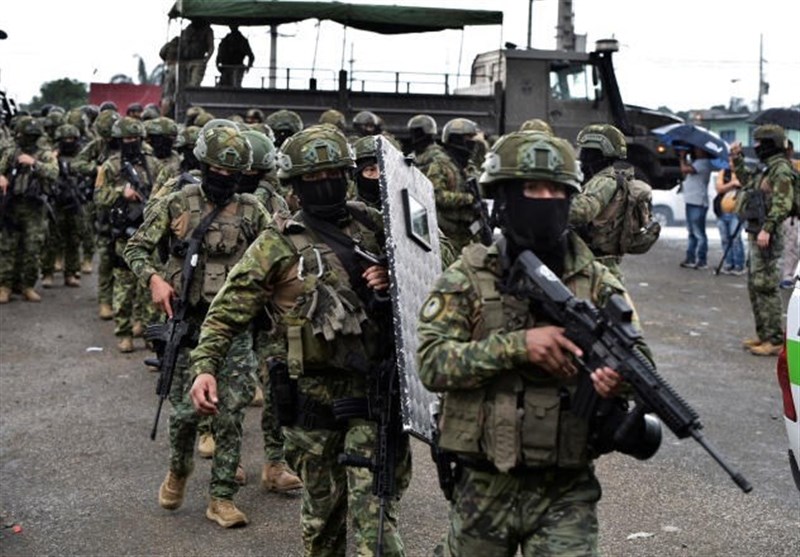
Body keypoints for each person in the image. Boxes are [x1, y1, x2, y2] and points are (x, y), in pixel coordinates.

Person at [417, 131, 644, 556]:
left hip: (565, 489)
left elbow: (639, 361)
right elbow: (432, 363)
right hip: (483, 483)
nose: (545, 200)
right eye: (532, 189)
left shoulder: (598, 281)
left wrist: (616, 380)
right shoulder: (467, 277)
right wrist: (518, 346)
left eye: (556, 190)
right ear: (503, 198)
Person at [188, 125, 411, 556]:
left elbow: (434, 257)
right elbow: (226, 312)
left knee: (378, 528)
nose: (323, 184)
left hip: (376, 393)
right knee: (322, 526)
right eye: (311, 178)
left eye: (332, 174)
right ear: (294, 184)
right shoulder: (277, 243)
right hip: (314, 401)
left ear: (346, 175)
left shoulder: (376, 224)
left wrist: (393, 270)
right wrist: (204, 368)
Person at [123, 124, 269, 527]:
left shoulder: (252, 211)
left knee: (231, 408)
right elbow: (135, 248)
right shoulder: (177, 203)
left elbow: (278, 255)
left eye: (231, 173)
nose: (223, 178)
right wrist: (154, 279)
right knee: (186, 411)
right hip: (186, 322)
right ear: (203, 165)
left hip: (234, 324)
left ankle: (221, 496)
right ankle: (179, 469)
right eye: (216, 170)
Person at [93, 116, 163, 352]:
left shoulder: (154, 165)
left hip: (150, 234)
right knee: (124, 286)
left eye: (135, 138)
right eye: (126, 139)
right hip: (124, 233)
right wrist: (120, 193)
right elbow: (98, 197)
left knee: (150, 287)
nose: (131, 142)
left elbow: (167, 191)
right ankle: (124, 333)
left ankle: (150, 335)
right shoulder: (111, 166)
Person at [732, 124, 794, 356]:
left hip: (768, 234)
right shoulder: (766, 168)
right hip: (757, 231)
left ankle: (775, 339)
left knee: (766, 285)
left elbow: (782, 203)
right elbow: (747, 182)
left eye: (759, 142)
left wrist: (767, 229)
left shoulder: (780, 169)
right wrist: (737, 159)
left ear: (771, 143)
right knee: (755, 284)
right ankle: (764, 334)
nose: (756, 147)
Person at [569, 123, 646, 281]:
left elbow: (580, 212)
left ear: (598, 154)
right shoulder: (602, 179)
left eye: (586, 151)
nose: (581, 156)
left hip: (597, 265)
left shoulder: (604, 182)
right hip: (598, 263)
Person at [0, 116, 59, 303]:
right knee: (7, 248)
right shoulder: (11, 152)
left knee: (32, 248)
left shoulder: (44, 153)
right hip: (11, 205)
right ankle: (5, 286)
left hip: (35, 208)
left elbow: (53, 172)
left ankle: (28, 286)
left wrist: (34, 163)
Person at [425, 117, 482, 253]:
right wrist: (467, 199)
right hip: (447, 235)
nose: (472, 142)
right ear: (456, 139)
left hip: (468, 233)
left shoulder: (470, 168)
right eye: (468, 137)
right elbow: (436, 196)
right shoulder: (440, 165)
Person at [678, 145, 713, 269]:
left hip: (698, 202)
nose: (696, 151)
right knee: (692, 232)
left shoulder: (704, 163)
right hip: (691, 201)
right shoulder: (696, 162)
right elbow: (685, 174)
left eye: (698, 149)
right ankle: (691, 258)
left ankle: (702, 260)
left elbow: (685, 169)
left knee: (699, 233)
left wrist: (682, 157)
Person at [714, 163, 745, 275]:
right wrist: (732, 184)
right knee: (725, 239)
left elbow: (745, 186)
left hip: (737, 212)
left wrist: (728, 186)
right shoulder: (723, 173)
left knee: (735, 238)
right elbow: (719, 188)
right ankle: (728, 263)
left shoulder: (744, 173)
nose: (732, 163)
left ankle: (738, 265)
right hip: (722, 212)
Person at [780, 139, 799, 288]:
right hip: (787, 214)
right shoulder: (777, 168)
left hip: (794, 212)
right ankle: (788, 275)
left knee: (792, 245)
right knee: (789, 245)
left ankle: (791, 275)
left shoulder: (795, 167)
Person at [179, 18, 214, 88]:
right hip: (185, 61)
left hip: (198, 61)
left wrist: (205, 60)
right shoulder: (188, 29)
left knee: (194, 85)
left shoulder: (206, 30)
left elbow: (211, 47)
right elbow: (182, 44)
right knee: (183, 85)